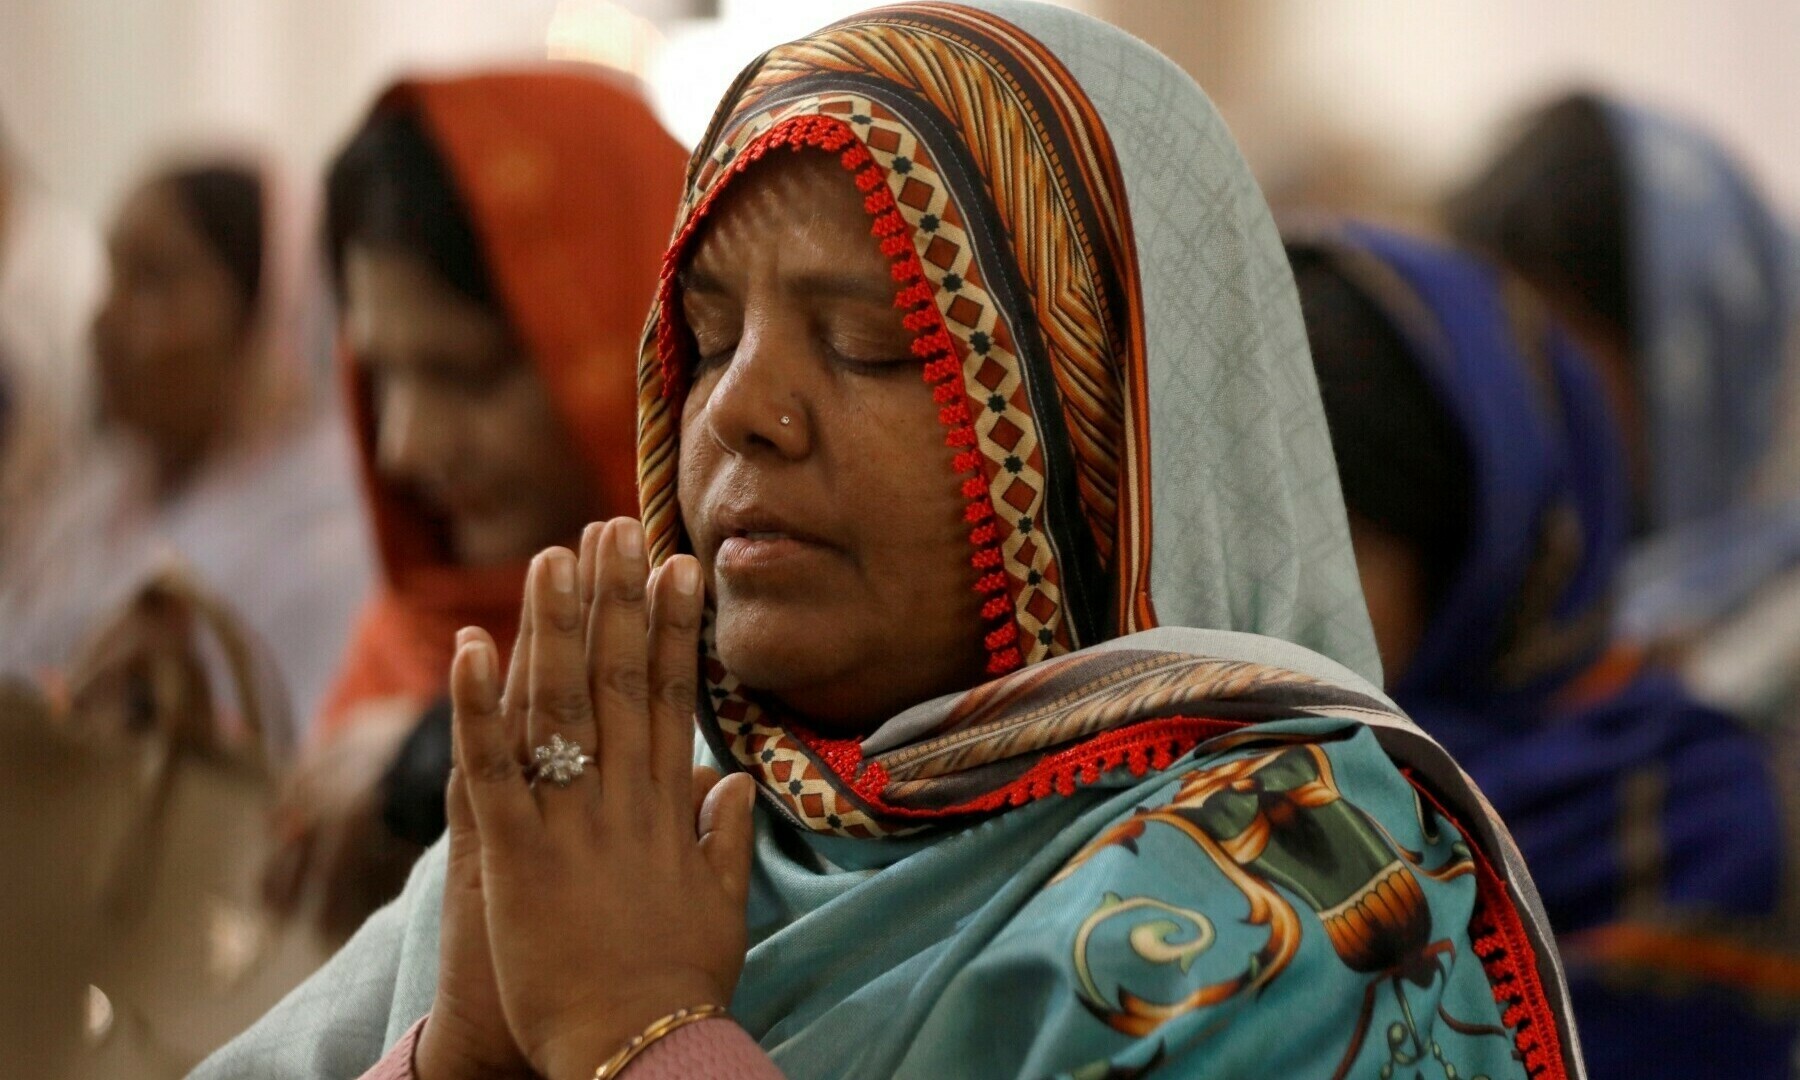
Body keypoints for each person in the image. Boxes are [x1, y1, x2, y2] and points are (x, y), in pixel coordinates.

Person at [197, 4, 1585, 1078]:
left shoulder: (1297, 906)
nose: (738, 413)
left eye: (872, 344)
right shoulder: (611, 815)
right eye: (706, 339)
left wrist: (646, 1035)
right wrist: (467, 1054)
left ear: (1097, 437)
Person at [1290, 222, 1800, 1080]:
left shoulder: (1694, 834)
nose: (1273, 603)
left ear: (1474, 565)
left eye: (1335, 552)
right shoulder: (1223, 773)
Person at [267, 70, 688, 939]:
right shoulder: (405, 639)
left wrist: (456, 757)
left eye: (464, 374)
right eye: (380, 375)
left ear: (629, 337)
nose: (403, 445)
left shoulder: (760, 637)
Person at [1448, 92, 1800, 726]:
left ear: (1690, 367)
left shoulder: (1762, 677)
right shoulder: (1518, 612)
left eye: (1557, 354)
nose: (1514, 399)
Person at [0, 155, 368, 748]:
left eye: (153, 279)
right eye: (111, 276)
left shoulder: (326, 537)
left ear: (264, 316)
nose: (104, 319)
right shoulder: (101, 500)